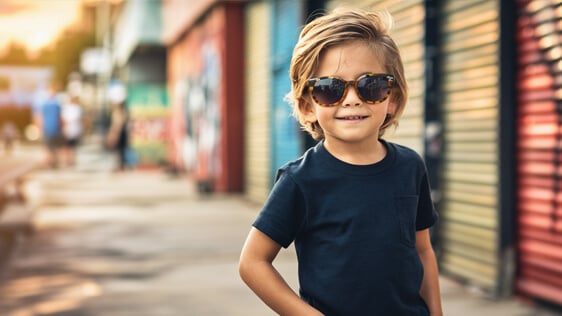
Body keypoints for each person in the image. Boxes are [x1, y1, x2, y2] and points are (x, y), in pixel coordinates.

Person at [239, 8, 443, 316]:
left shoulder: (410, 167)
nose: (351, 99)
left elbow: (423, 250)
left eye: (370, 85)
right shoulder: (301, 180)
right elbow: (252, 262)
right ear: (308, 106)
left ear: (393, 99)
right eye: (329, 89)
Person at [39, 83, 64, 168]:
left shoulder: (46, 104)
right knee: (53, 147)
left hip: (50, 128)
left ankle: (50, 162)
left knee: (49, 147)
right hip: (53, 128)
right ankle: (53, 162)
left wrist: (41, 128)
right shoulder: (56, 104)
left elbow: (41, 117)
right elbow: (60, 117)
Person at [106, 101, 129, 172]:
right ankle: (121, 165)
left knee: (117, 150)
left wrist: (114, 135)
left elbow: (117, 125)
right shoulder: (124, 112)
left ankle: (118, 166)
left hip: (118, 133)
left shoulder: (117, 113)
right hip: (123, 132)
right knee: (121, 150)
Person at [61, 95, 83, 166]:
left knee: (68, 146)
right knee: (71, 146)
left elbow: (63, 119)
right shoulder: (76, 108)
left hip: (70, 130)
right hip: (73, 130)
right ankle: (70, 160)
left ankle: (69, 160)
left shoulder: (68, 108)